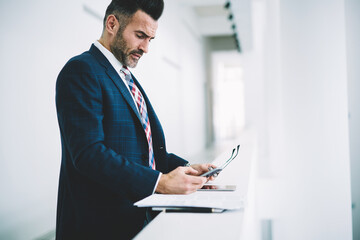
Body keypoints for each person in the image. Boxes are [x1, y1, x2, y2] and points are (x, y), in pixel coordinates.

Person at [55, 0, 216, 239]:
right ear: (112, 23)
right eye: (140, 35)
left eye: (150, 39)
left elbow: (146, 152)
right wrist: (159, 183)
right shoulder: (81, 70)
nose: (146, 48)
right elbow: (88, 154)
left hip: (134, 220)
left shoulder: (125, 77)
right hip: (97, 226)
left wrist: (187, 169)